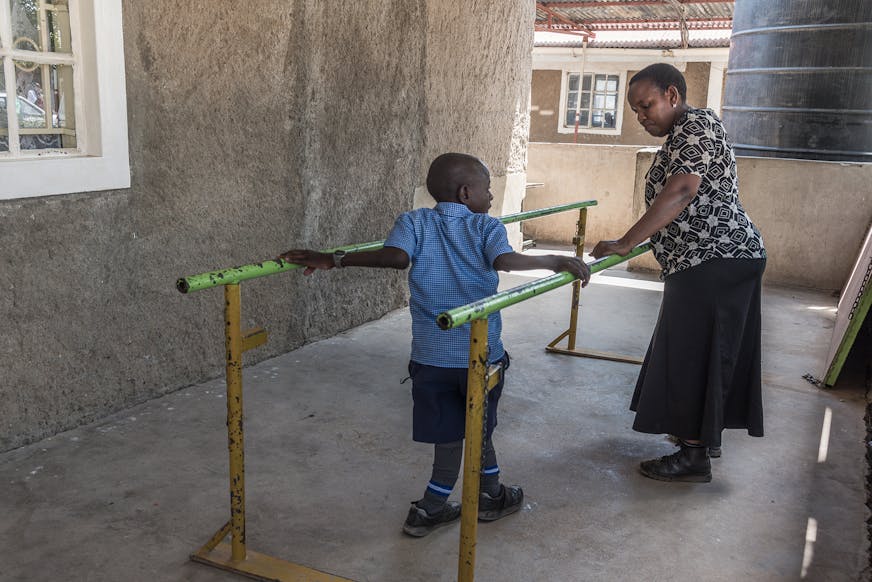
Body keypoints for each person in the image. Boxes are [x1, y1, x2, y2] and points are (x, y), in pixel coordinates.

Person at [279, 153, 590, 536]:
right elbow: (506, 261)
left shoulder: (414, 222)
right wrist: (556, 259)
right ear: (466, 193)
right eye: (487, 189)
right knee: (479, 430)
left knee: (448, 434)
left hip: (430, 359)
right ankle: (476, 498)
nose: (491, 196)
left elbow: (395, 258)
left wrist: (333, 258)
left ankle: (434, 508)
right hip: (480, 359)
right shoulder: (485, 227)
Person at [591, 63, 766, 483]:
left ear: (672, 95)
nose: (642, 116)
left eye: (647, 105)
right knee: (694, 352)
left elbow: (684, 190)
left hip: (715, 259)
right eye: (635, 110)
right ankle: (693, 441)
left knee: (690, 355)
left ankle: (693, 457)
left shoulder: (698, 124)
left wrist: (626, 242)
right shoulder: (680, 135)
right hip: (706, 261)